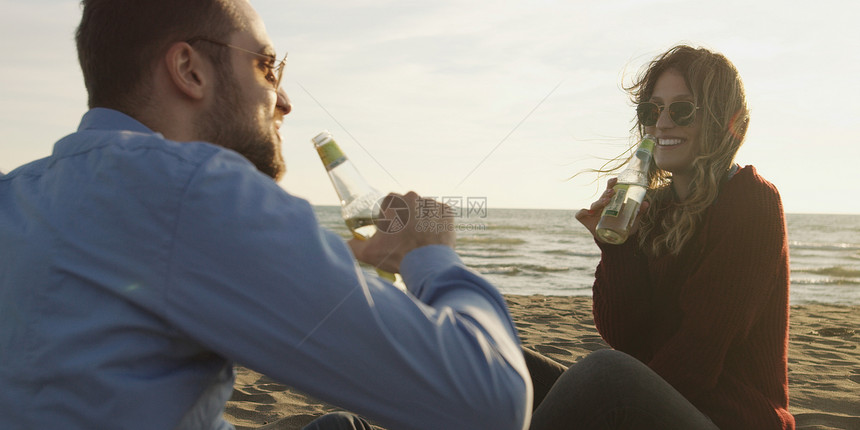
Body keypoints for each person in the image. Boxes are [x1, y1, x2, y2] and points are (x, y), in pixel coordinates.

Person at [0, 1, 532, 429]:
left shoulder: (17, 193)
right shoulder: (194, 187)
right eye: (267, 66)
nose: (284, 101)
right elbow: (490, 404)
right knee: (605, 381)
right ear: (189, 70)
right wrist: (430, 253)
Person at [523, 45, 794, 429]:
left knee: (607, 373)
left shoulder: (752, 200)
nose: (663, 123)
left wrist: (617, 392)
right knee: (496, 357)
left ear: (720, 120)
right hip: (664, 400)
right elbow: (628, 337)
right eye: (652, 110)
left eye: (682, 110)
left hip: (729, 419)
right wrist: (619, 246)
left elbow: (698, 356)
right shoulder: (656, 208)